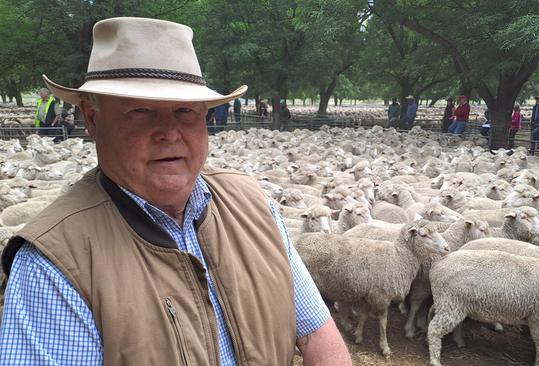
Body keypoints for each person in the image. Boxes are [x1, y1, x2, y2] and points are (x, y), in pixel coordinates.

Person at [0, 17, 351, 366]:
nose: (169, 132)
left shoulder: (255, 207)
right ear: (92, 119)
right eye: (140, 110)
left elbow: (316, 333)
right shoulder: (54, 265)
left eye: (185, 111)